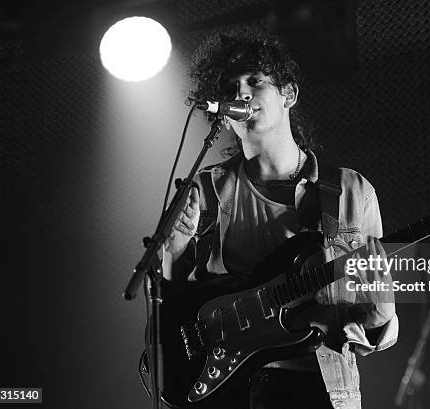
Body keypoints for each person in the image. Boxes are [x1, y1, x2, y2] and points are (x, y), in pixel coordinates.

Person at [160, 32, 398, 409]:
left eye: (255, 81)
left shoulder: (351, 191)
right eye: (230, 87)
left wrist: (380, 317)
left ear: (289, 94)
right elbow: (173, 309)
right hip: (230, 390)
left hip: (320, 385)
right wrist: (172, 256)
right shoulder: (204, 189)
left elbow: (370, 315)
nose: (242, 93)